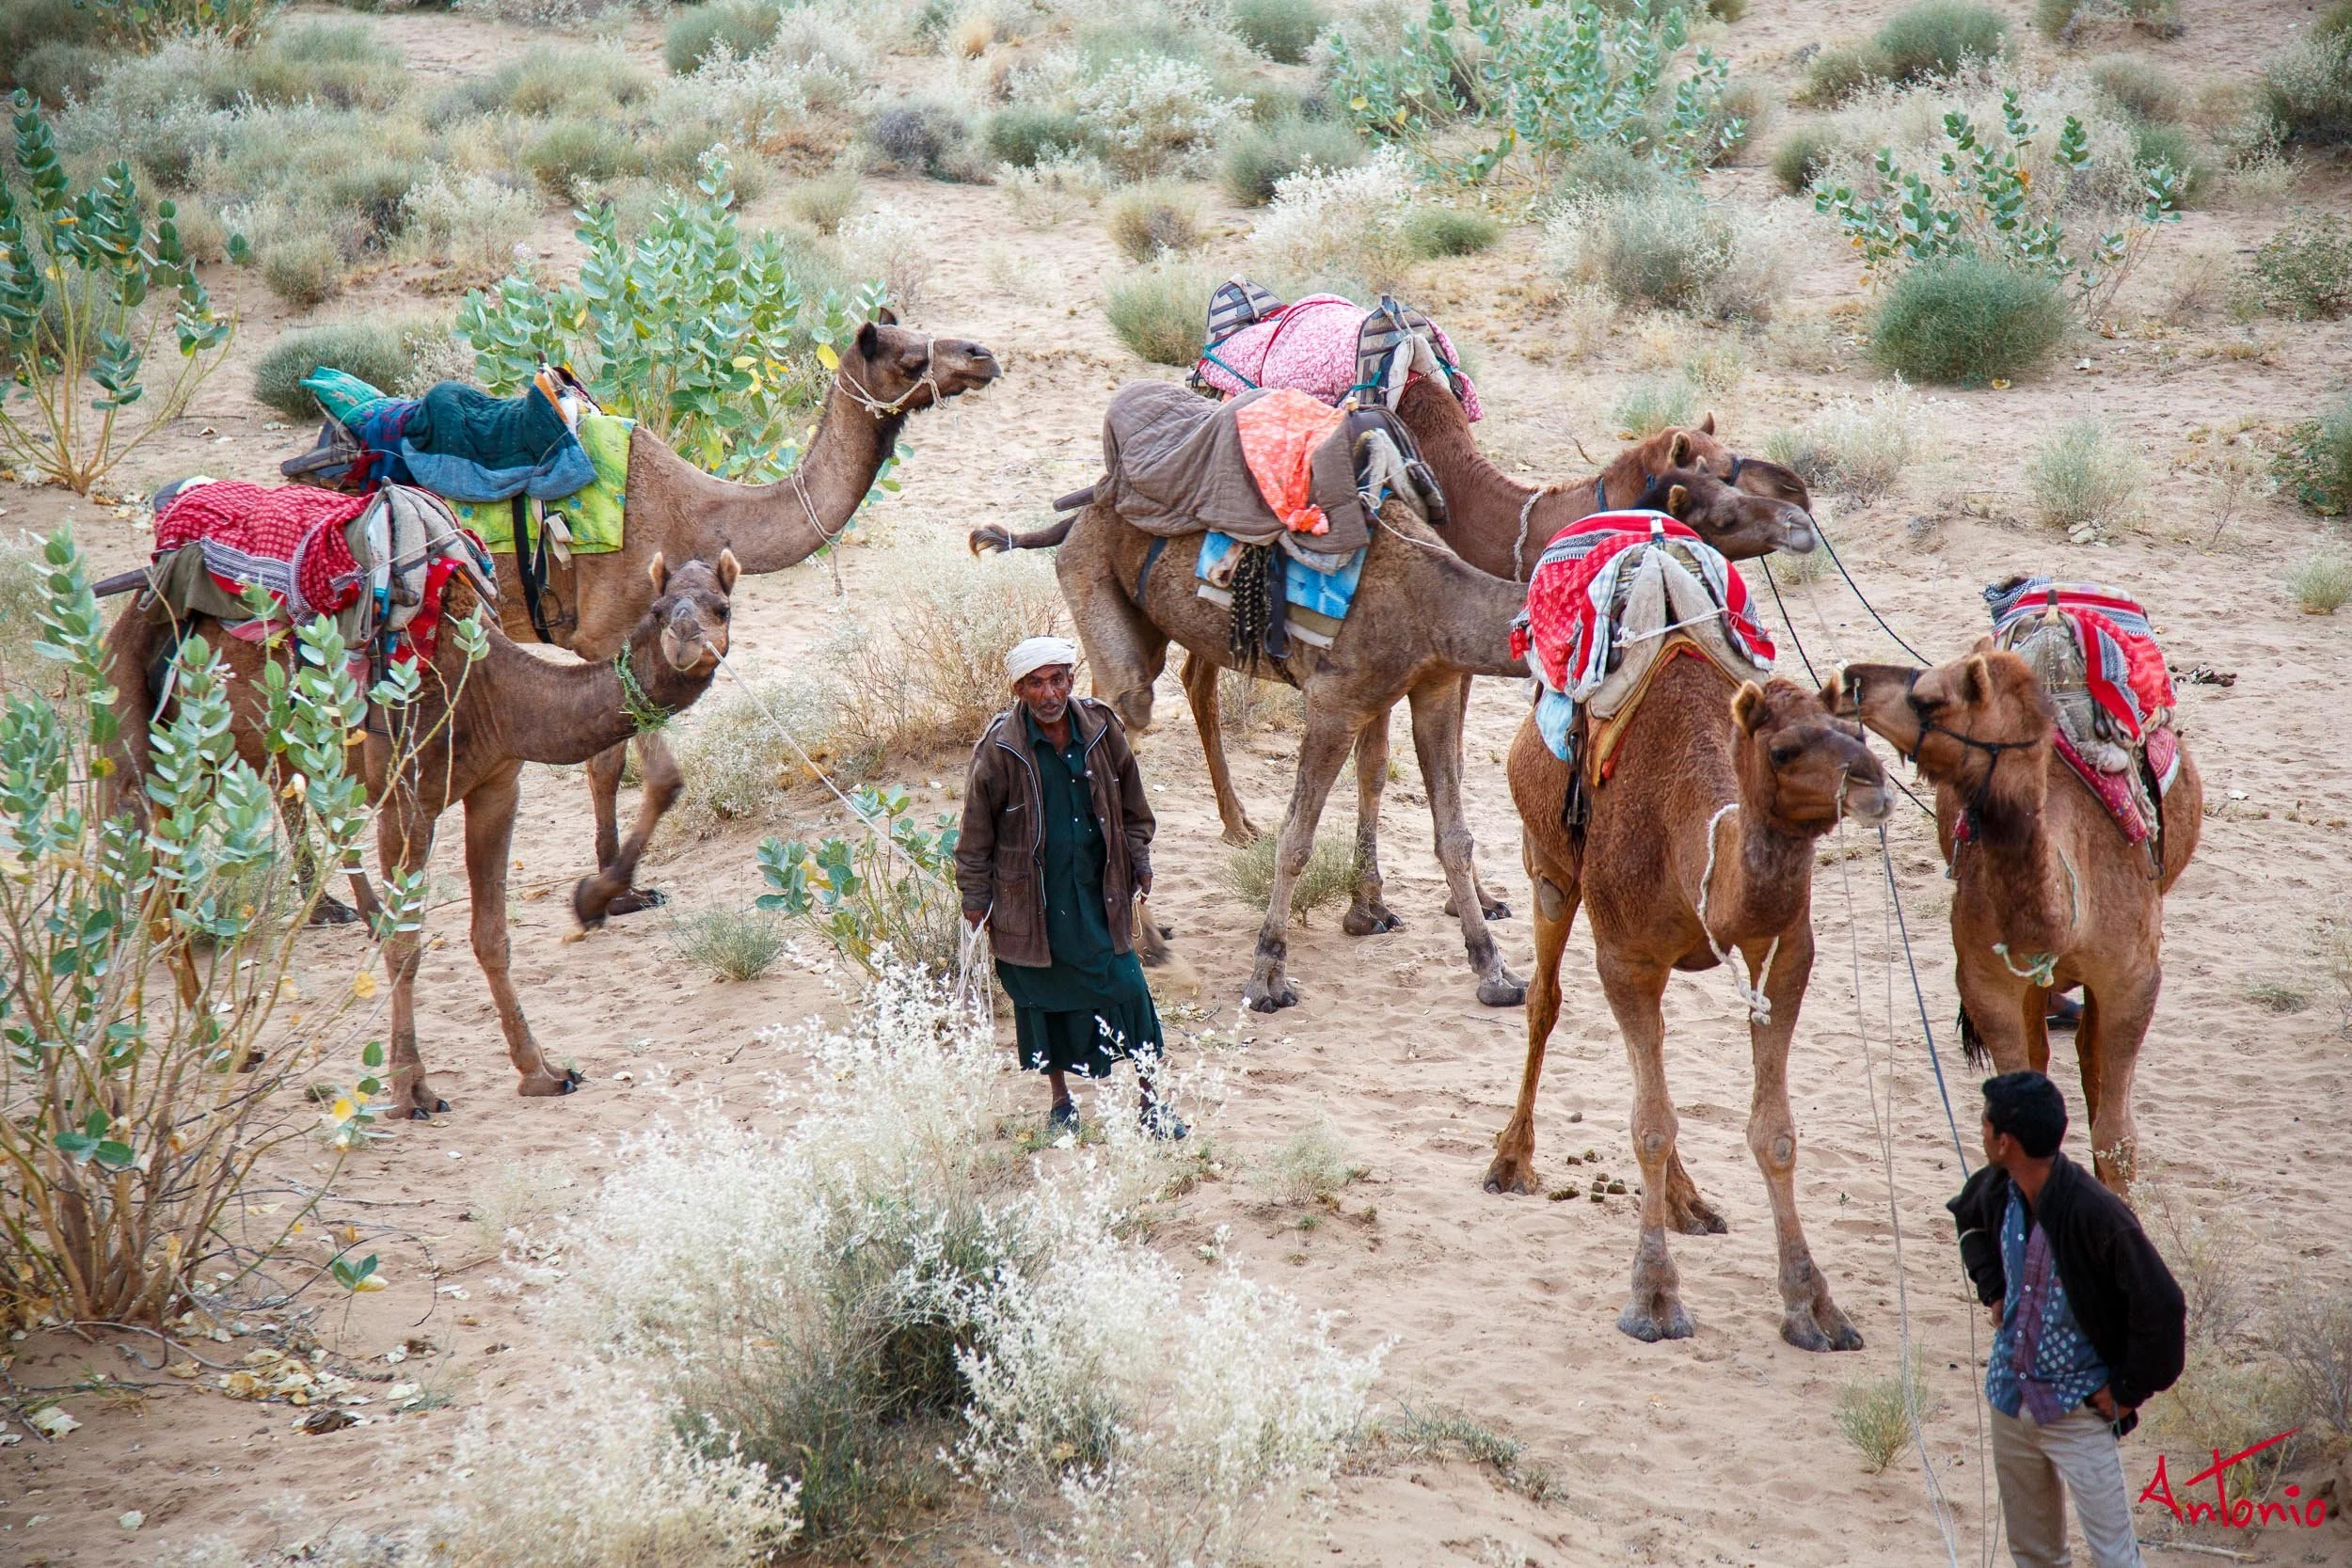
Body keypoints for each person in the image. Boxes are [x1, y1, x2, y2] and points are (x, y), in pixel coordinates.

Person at [1948, 1071, 2186, 1568]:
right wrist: (1993, 1289)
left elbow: (2163, 1306)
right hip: (2010, 1401)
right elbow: (1967, 1219)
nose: (1982, 1133)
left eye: (1986, 1124)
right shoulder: (1998, 1188)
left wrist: (2127, 1388)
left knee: (2116, 1558)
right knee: (2035, 1555)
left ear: (2005, 1140)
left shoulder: (2096, 1213)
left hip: (2077, 1412)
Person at [955, 636, 1184, 1138]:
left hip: (1100, 891)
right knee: (1041, 998)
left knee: (1128, 991)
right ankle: (1061, 1103)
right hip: (1031, 902)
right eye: (1035, 683)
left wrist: (1139, 859)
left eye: (1057, 679)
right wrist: (975, 898)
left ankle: (1151, 1103)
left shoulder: (1102, 728)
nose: (1048, 692)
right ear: (1019, 688)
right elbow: (974, 836)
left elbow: (1135, 810)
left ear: (1070, 680)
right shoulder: (1000, 748)